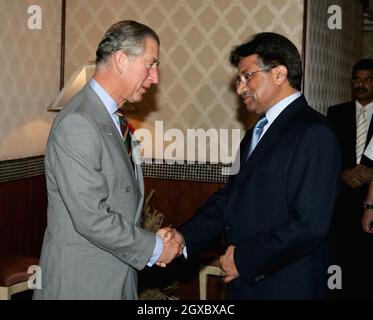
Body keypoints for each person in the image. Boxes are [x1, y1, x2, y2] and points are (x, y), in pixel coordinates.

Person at [170, 32, 342, 299]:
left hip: (286, 286)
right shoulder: (255, 133)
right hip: (248, 285)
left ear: (279, 74)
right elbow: (229, 198)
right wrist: (183, 238)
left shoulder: (314, 132)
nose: (240, 88)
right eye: (238, 79)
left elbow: (309, 224)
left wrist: (243, 260)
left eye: (247, 76)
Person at [33, 20, 181, 300]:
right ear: (122, 60)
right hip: (82, 282)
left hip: (117, 275)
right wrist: (154, 247)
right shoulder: (78, 121)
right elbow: (91, 216)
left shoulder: (113, 118)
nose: (155, 77)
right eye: (150, 64)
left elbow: (119, 202)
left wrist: (152, 241)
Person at [327, 58, 373, 299]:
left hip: (371, 201)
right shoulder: (336, 113)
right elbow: (328, 155)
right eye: (357, 79)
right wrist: (343, 173)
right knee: (341, 264)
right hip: (342, 202)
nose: (361, 84)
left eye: (367, 79)